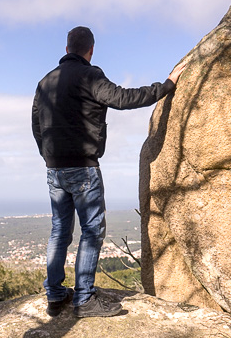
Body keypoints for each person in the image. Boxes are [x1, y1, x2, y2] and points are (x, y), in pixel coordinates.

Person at [31, 26, 186, 318]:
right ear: (90, 51)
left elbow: (36, 123)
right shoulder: (90, 76)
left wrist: (48, 155)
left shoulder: (45, 81)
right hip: (83, 168)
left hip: (54, 170)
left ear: (66, 50)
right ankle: (84, 299)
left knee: (59, 230)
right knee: (91, 230)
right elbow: (124, 98)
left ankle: (54, 295)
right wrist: (166, 86)